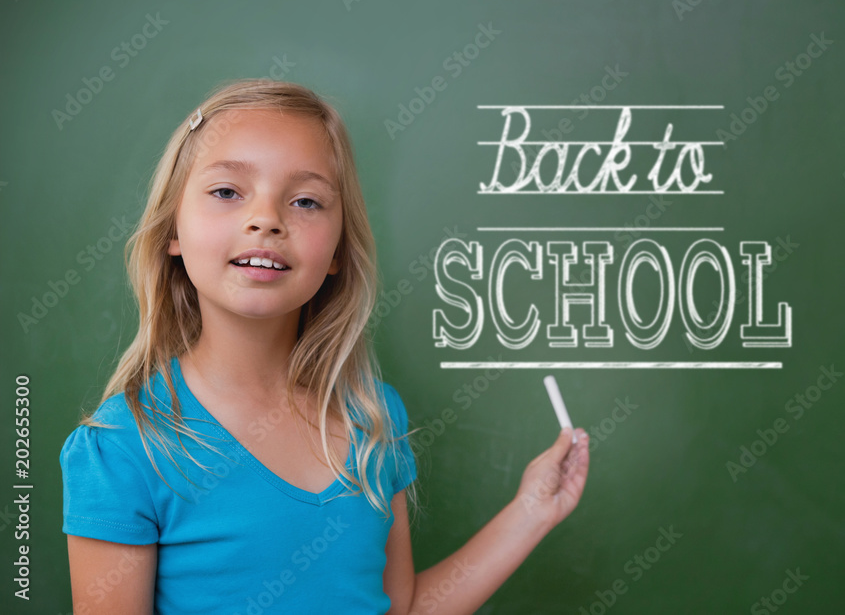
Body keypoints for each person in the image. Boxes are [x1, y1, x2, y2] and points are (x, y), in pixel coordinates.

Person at [59, 78, 590, 614]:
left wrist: (531, 512)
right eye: (227, 192)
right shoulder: (124, 448)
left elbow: (401, 609)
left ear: (337, 250)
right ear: (173, 230)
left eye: (307, 200)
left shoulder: (372, 417)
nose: (266, 219)